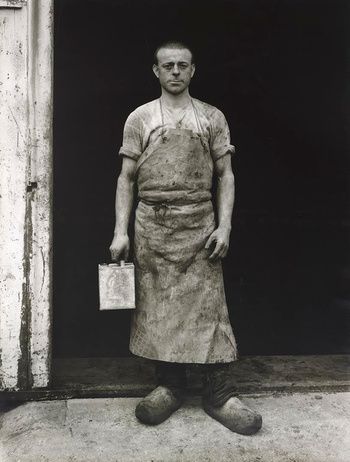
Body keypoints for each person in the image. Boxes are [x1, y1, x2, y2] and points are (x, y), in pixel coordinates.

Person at [109, 41, 262, 435]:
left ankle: (219, 392)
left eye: (182, 65)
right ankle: (170, 385)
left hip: (200, 226)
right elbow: (126, 178)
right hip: (152, 228)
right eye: (167, 66)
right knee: (158, 310)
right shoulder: (139, 119)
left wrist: (224, 226)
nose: (175, 72)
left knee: (208, 310)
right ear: (155, 71)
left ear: (193, 71)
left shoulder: (211, 117)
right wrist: (119, 232)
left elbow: (225, 175)